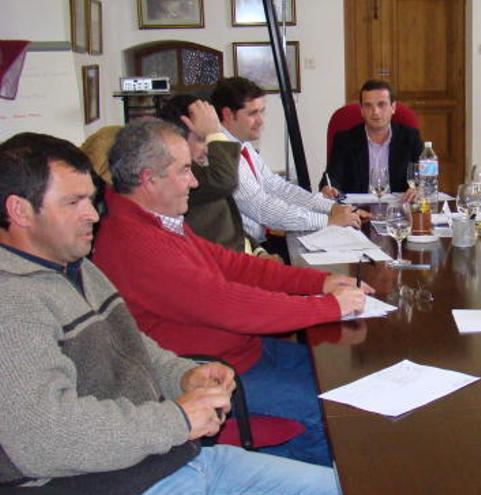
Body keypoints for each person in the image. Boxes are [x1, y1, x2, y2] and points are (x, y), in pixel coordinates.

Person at [0, 132, 338, 494]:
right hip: (117, 482)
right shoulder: (12, 303)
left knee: (341, 486)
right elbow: (44, 438)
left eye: (90, 199)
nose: (91, 215)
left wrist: (184, 374)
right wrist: (176, 419)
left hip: (169, 457)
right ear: (19, 211)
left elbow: (133, 345)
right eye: (73, 202)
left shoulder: (78, 268)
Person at [92, 119, 372, 467]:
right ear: (149, 180)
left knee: (344, 378)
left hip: (241, 351)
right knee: (332, 412)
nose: (194, 182)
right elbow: (233, 306)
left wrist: (317, 283)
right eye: (184, 171)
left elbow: (233, 265)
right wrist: (328, 307)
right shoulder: (136, 245)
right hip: (217, 369)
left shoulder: (154, 221)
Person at [210, 77, 363, 245]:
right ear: (227, 114)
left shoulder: (241, 143)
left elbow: (277, 186)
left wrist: (330, 207)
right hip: (245, 250)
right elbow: (262, 207)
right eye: (253, 113)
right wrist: (327, 221)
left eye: (262, 111)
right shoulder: (221, 152)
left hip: (259, 241)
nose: (261, 121)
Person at [157, 94, 251, 253]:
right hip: (220, 266)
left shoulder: (203, 169)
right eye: (202, 139)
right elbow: (225, 180)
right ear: (177, 141)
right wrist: (214, 133)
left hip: (243, 256)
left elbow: (230, 222)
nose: (208, 148)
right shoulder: (179, 178)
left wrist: (257, 251)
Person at [320, 80, 422, 202]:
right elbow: (331, 177)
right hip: (357, 214)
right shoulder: (345, 140)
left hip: (399, 211)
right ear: (362, 110)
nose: (375, 112)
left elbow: (424, 177)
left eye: (381, 104)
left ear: (393, 107)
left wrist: (420, 189)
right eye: (368, 105)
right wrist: (327, 188)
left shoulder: (410, 137)